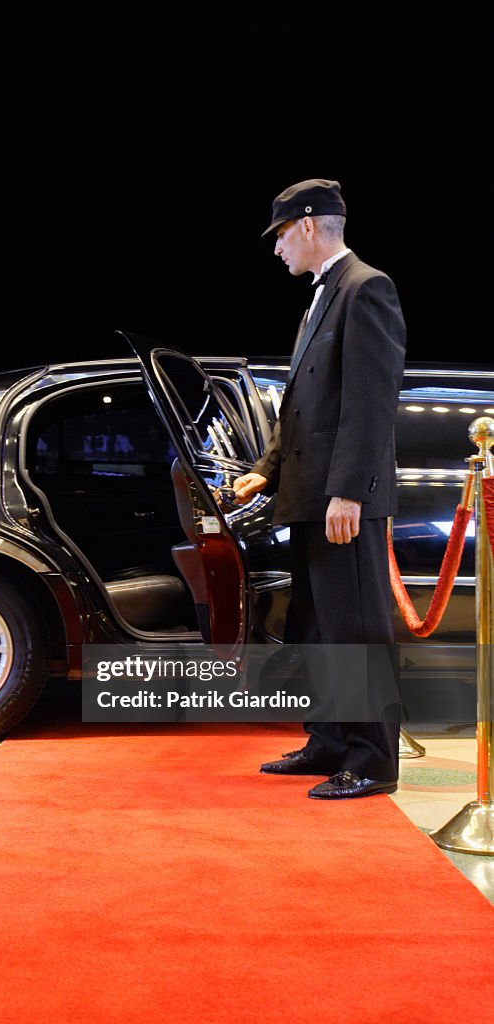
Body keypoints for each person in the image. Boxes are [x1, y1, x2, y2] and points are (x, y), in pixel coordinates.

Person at [233, 178, 406, 799]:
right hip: (308, 497)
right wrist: (266, 468)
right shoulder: (320, 296)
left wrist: (349, 493)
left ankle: (373, 761)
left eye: (279, 235)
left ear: (308, 225)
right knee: (321, 629)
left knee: (356, 630)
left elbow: (370, 403)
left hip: (342, 502)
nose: (277, 248)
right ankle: (329, 741)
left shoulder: (366, 289)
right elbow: (303, 408)